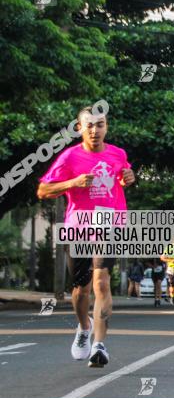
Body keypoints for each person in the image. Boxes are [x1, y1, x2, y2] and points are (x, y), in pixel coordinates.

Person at [37, 103, 136, 368]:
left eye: (100, 124)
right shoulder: (69, 157)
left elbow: (124, 177)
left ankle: (99, 345)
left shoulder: (117, 154)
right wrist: (73, 182)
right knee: (80, 290)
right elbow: (43, 191)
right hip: (79, 225)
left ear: (106, 127)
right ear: (79, 128)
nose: (94, 130)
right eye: (89, 125)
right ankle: (84, 327)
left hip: (109, 223)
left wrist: (129, 176)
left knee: (101, 282)